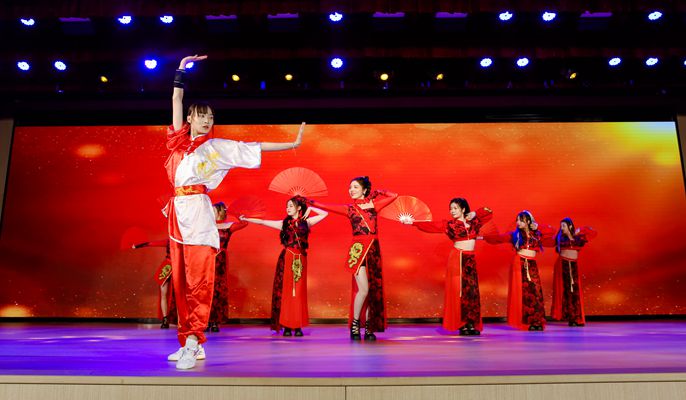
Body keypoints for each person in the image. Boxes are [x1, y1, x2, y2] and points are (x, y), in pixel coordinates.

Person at [165, 54, 305, 369]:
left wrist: (291, 145)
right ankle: (188, 341)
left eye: (211, 117)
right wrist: (181, 70)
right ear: (190, 118)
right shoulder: (177, 143)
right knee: (181, 282)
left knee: (198, 280)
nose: (207, 121)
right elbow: (176, 98)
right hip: (177, 213)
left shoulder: (217, 148)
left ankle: (194, 341)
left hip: (198, 214)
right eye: (202, 116)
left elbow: (253, 147)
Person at [309, 177, 398, 340]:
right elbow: (325, 206)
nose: (351, 190)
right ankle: (355, 324)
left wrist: (379, 192)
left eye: (355, 187)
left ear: (364, 190)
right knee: (363, 290)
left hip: (373, 249)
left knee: (373, 290)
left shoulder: (374, 205)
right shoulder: (349, 209)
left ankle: (369, 327)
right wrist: (309, 201)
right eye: (350, 187)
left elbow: (394, 196)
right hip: (357, 250)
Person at [403, 198, 493, 336]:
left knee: (471, 292)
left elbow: (488, 212)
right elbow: (431, 226)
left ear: (463, 209)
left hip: (470, 260)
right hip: (457, 258)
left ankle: (471, 323)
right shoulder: (450, 225)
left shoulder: (474, 222)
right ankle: (462, 324)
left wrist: (474, 213)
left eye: (455, 208)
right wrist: (413, 223)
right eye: (451, 209)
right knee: (459, 291)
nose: (452, 211)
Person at [241, 196, 328, 336]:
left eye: (291, 206)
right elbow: (263, 222)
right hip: (287, 258)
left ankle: (297, 325)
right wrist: (247, 219)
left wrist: (310, 208)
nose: (288, 208)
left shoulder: (306, 222)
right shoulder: (284, 224)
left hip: (300, 259)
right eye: (287, 206)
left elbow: (325, 214)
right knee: (287, 292)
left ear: (298, 208)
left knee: (298, 292)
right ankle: (287, 325)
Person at [485, 211, 553, 331]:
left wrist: (537, 227)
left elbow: (551, 231)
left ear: (528, 221)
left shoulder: (537, 233)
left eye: (521, 220)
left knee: (535, 293)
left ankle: (536, 321)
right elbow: (499, 239)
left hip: (531, 264)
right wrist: (485, 236)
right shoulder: (515, 235)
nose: (518, 222)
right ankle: (526, 321)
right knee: (523, 293)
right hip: (519, 263)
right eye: (517, 220)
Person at [206, 202, 248, 333]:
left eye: (214, 210)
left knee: (218, 290)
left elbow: (244, 223)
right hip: (207, 259)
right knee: (206, 290)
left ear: (220, 212)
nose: (211, 212)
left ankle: (215, 321)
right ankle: (205, 320)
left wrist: (234, 213)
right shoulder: (206, 226)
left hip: (220, 260)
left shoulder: (228, 226)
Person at [549, 218, 597, 327]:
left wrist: (580, 230)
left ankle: (576, 318)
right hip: (563, 265)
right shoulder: (559, 238)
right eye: (561, 226)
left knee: (575, 292)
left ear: (570, 226)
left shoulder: (578, 239)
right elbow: (546, 239)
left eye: (564, 226)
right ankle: (570, 317)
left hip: (573, 266)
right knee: (566, 291)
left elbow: (593, 233)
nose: (562, 228)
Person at [132, 239, 176, 329]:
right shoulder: (169, 241)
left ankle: (181, 320)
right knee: (164, 294)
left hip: (176, 267)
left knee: (178, 296)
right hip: (167, 266)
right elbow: (151, 243)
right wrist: (137, 246)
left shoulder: (184, 241)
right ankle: (165, 319)